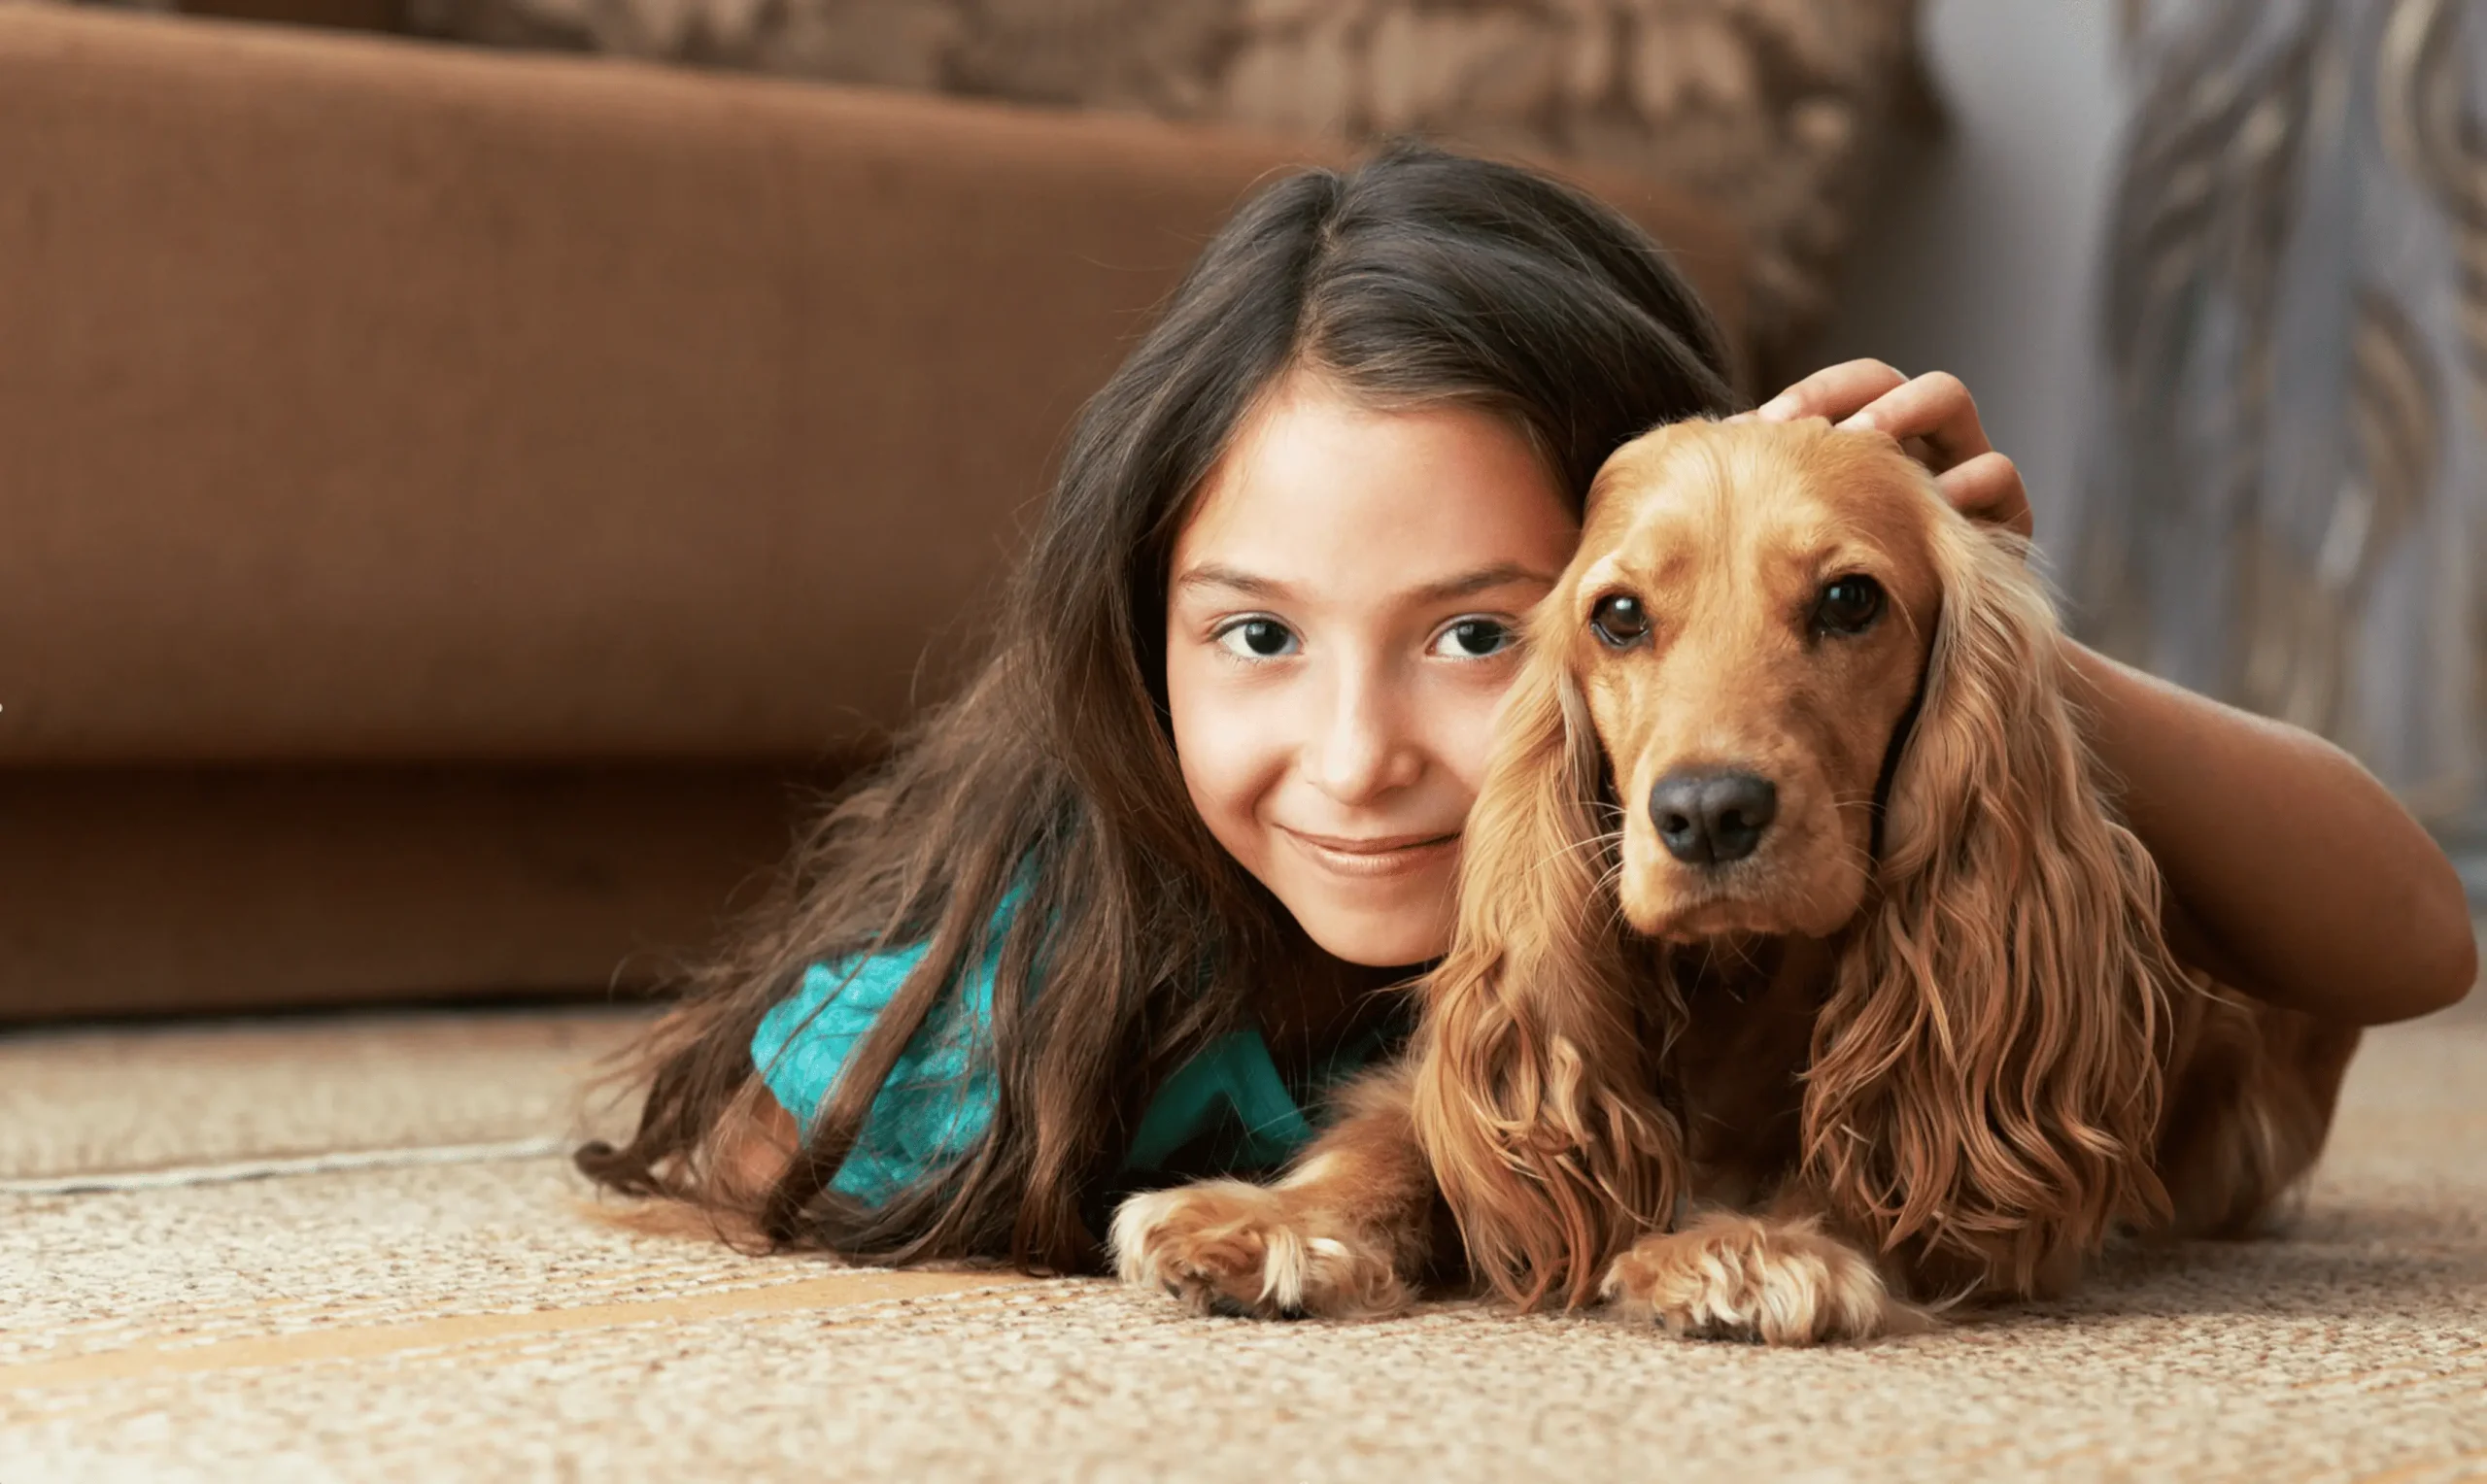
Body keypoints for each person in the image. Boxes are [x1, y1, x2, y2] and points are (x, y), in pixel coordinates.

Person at [577, 143, 2476, 1275]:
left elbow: (2403, 936)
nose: (1354, 753)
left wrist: (1949, 610)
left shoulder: (1813, 798)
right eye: (1253, 636)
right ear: (1136, 634)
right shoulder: (1058, 959)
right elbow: (761, 1147)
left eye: (1477, 637)